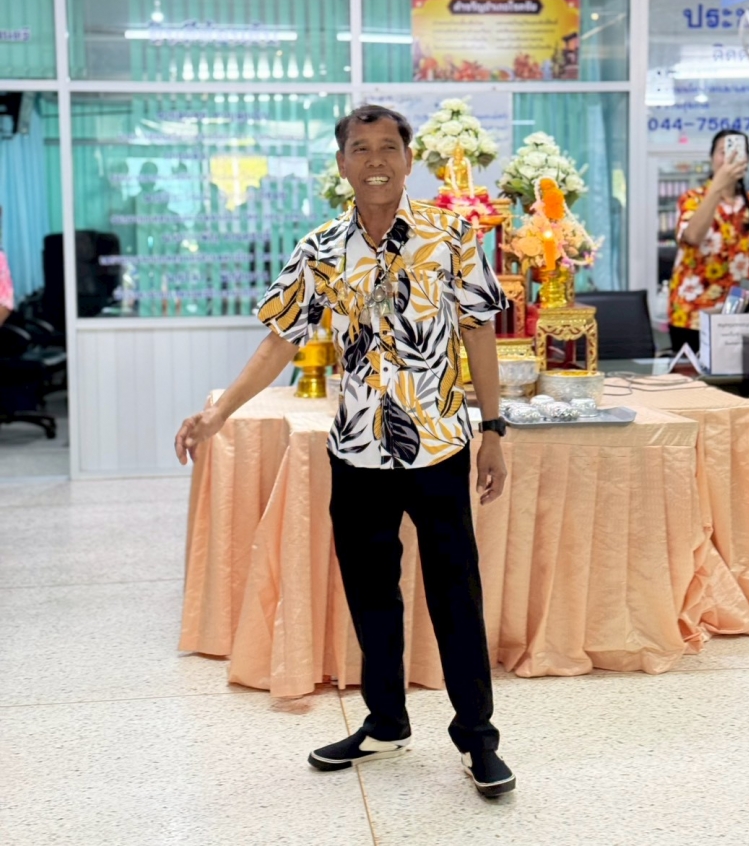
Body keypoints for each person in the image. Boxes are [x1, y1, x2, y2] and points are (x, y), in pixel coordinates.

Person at [174, 105, 516, 799]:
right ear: (342, 164)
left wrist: (494, 429)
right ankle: (386, 723)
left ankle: (478, 739)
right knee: (371, 594)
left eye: (388, 147)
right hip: (358, 451)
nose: (375, 160)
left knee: (456, 594)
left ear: (409, 159)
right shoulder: (321, 249)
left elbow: (479, 331)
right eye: (360, 148)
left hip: (439, 446)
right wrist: (217, 414)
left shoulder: (452, 236)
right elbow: (279, 341)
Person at [668, 129, 749, 354]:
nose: (729, 157)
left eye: (738, 151)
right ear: (711, 157)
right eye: (723, 151)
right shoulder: (692, 199)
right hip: (691, 313)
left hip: (736, 314)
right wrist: (717, 187)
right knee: (690, 373)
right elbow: (692, 237)